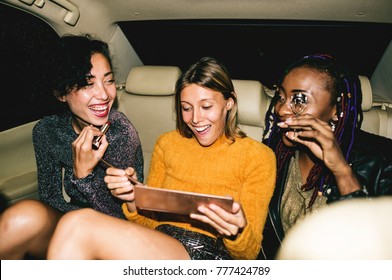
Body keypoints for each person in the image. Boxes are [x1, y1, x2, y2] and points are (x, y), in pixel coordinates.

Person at [46, 56, 276, 260]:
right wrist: (132, 199)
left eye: (206, 106)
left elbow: (248, 254)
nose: (195, 119)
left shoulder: (258, 156)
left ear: (229, 103)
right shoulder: (167, 144)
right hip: (159, 247)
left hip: (208, 253)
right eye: (186, 108)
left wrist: (237, 230)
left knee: (79, 223)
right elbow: (149, 223)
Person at [0, 34, 143, 259]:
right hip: (69, 221)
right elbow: (50, 197)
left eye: (109, 80)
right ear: (61, 93)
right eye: (88, 83)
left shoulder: (122, 133)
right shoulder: (48, 131)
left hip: (114, 232)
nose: (104, 94)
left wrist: (83, 175)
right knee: (24, 215)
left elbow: (123, 217)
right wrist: (69, 223)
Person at [259, 54, 392, 259]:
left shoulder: (382, 160)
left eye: (300, 99)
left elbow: (377, 252)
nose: (282, 109)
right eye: (281, 97)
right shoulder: (273, 157)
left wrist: (341, 170)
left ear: (336, 110)